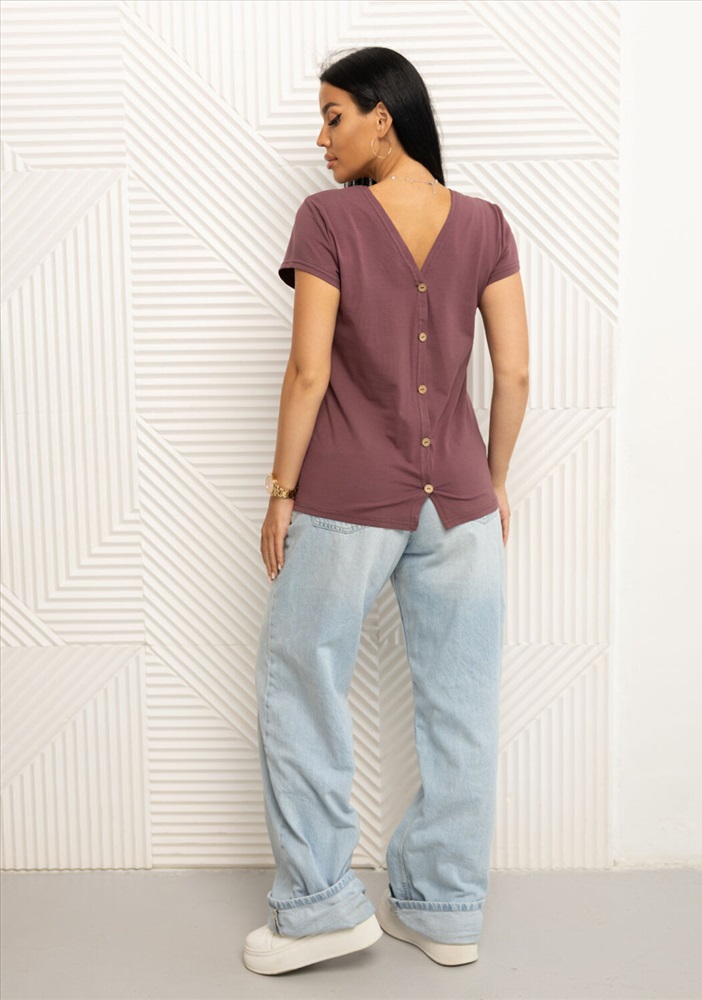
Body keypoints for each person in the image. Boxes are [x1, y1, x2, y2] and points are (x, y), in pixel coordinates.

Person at [243, 45, 529, 977]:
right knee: (460, 708)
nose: (320, 138)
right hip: (463, 509)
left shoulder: (328, 219)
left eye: (332, 116)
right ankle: (444, 912)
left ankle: (319, 910)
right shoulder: (485, 223)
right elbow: (515, 373)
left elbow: (308, 370)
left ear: (382, 115)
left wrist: (279, 493)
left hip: (347, 501)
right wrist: (491, 480)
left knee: (303, 686)